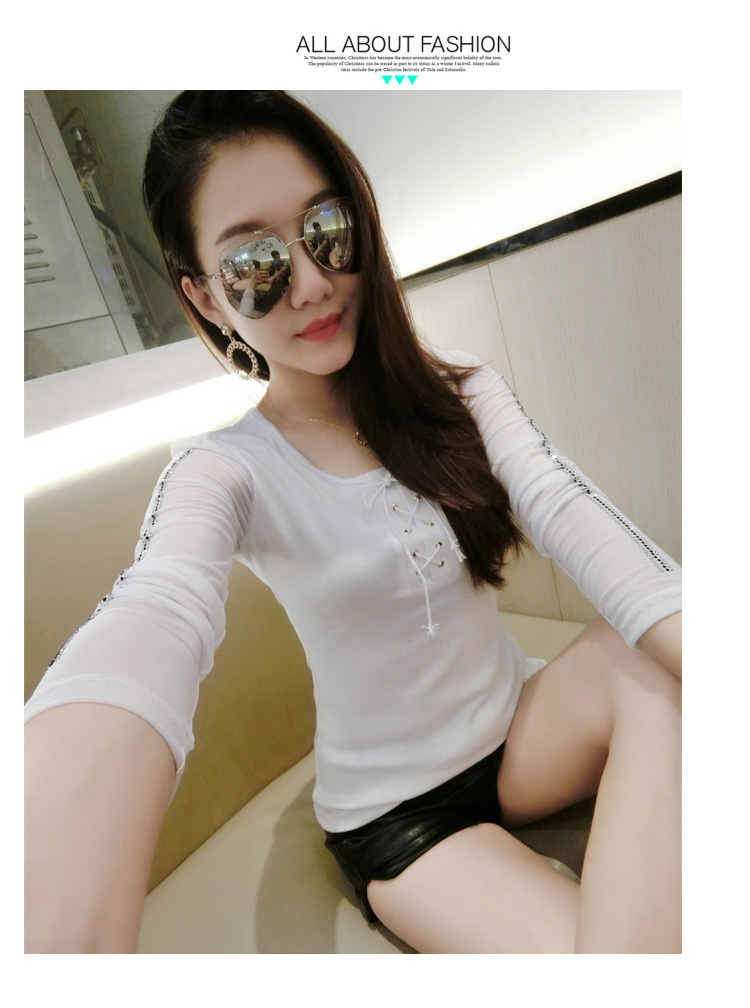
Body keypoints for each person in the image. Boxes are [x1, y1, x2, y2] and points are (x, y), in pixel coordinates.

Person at [24, 90, 681, 954]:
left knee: (657, 657)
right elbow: (158, 604)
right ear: (207, 299)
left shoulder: (459, 390)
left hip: (522, 729)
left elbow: (567, 509)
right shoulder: (224, 468)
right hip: (401, 817)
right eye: (254, 262)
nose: (311, 281)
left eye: (325, 228)